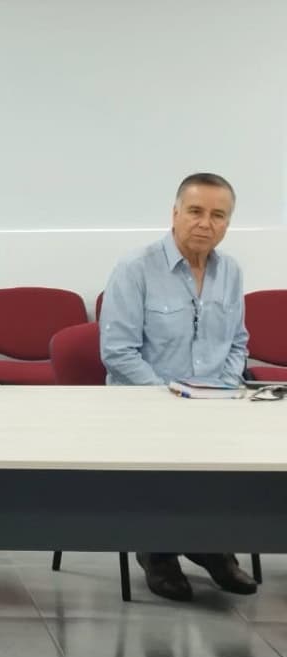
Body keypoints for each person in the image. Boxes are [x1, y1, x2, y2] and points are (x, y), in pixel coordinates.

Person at [100, 171, 256, 601]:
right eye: (195, 211)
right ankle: (158, 552)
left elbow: (238, 343)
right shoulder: (135, 268)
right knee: (168, 450)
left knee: (239, 455)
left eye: (218, 215)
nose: (206, 223)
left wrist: (221, 392)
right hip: (146, 403)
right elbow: (118, 352)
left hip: (213, 403)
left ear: (228, 222)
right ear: (175, 214)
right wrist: (171, 399)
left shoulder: (230, 271)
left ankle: (211, 545)